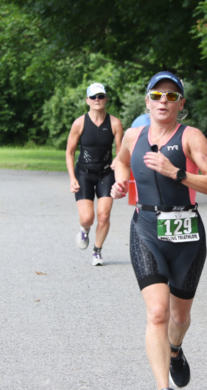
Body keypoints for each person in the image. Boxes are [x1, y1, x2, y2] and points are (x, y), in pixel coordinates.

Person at [110, 71, 207, 390]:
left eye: (171, 97)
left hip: (187, 233)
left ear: (181, 105)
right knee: (157, 312)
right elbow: (121, 161)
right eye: (157, 95)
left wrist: (177, 173)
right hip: (146, 227)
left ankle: (175, 350)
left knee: (179, 316)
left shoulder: (192, 137)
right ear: (147, 101)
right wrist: (118, 182)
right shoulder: (133, 134)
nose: (163, 101)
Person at [65, 83, 123, 266]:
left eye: (100, 96)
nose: (96, 100)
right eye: (93, 97)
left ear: (106, 99)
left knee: (104, 216)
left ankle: (97, 251)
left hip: (106, 174)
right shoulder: (79, 123)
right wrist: (72, 178)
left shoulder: (114, 123)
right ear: (87, 100)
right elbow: (69, 152)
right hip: (83, 174)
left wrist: (118, 162)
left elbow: (121, 152)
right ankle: (84, 228)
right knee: (87, 217)